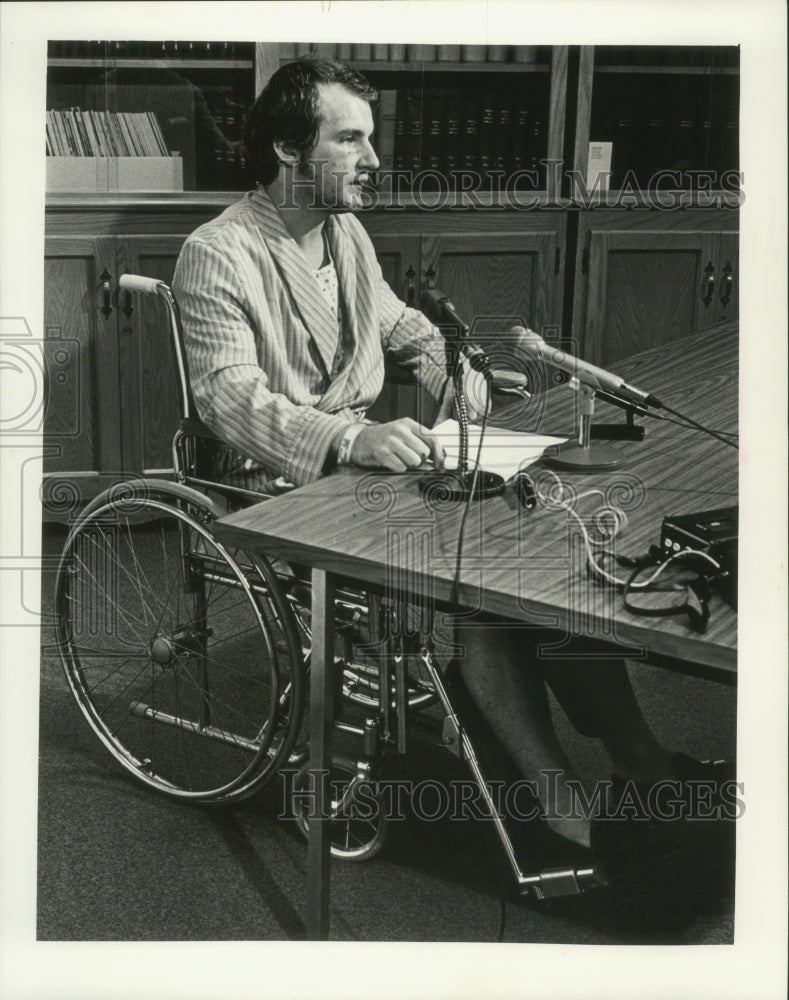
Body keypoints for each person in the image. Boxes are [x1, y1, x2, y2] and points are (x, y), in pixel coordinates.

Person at [172, 56, 733, 878]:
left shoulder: (344, 235)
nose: (373, 160)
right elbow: (228, 402)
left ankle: (639, 761)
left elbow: (404, 329)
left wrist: (455, 371)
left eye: (371, 138)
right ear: (289, 149)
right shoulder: (217, 252)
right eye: (350, 138)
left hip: (368, 470)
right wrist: (345, 438)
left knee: (543, 559)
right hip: (273, 487)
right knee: (488, 590)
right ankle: (555, 808)